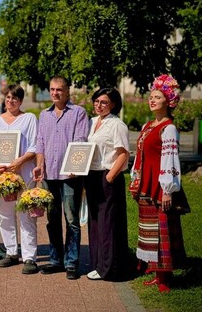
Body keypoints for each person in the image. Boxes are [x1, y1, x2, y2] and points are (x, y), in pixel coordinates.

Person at [129, 74, 185, 293]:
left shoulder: (168, 128)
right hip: (145, 184)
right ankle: (156, 272)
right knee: (149, 231)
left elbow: (170, 159)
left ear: (168, 101)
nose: (152, 100)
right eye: (151, 97)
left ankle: (165, 279)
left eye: (158, 97)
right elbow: (140, 156)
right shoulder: (148, 125)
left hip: (160, 186)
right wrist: (135, 180)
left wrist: (167, 190)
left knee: (163, 235)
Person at [33, 76, 89, 280]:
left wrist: (76, 166)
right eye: (52, 89)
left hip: (69, 175)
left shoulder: (78, 113)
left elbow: (80, 141)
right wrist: (39, 165)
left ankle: (72, 262)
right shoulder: (44, 115)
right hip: (49, 175)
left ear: (67, 92)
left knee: (72, 219)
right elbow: (40, 143)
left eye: (59, 90)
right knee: (52, 219)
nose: (55, 93)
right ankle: (56, 260)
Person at [0, 84, 39, 274]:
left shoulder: (29, 119)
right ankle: (11, 251)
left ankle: (29, 256)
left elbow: (34, 145)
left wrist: (20, 161)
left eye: (15, 98)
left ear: (21, 101)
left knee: (26, 216)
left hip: (22, 176)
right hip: (0, 177)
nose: (11, 101)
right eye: (8, 97)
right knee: (5, 215)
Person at [84, 88, 130, 281]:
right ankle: (98, 263)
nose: (99, 105)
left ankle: (109, 267)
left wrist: (109, 177)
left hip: (107, 175)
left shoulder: (117, 125)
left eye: (103, 102)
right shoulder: (92, 122)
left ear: (113, 104)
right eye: (96, 101)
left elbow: (124, 153)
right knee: (94, 221)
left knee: (108, 223)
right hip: (91, 175)